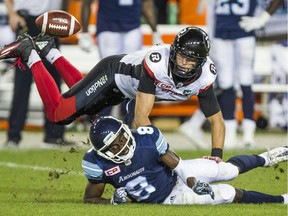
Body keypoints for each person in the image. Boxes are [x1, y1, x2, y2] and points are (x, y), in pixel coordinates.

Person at [0, 26, 225, 159]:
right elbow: (141, 117)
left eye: (191, 59)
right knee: (60, 114)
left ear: (201, 62)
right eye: (181, 56)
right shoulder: (157, 63)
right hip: (112, 76)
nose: (184, 63)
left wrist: (216, 157)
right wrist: (164, 152)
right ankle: (29, 52)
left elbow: (217, 121)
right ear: (173, 51)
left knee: (93, 113)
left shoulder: (205, 77)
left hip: (124, 92)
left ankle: (48, 49)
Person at [81, 115, 288, 205]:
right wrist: (113, 202)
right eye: (114, 146)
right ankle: (282, 200)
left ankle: (267, 157)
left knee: (226, 170)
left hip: (177, 174)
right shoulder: (96, 163)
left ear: (126, 130)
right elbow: (90, 199)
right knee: (227, 193)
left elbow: (177, 164)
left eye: (122, 137)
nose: (123, 145)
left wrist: (193, 182)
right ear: (103, 152)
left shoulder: (146, 137)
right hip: (166, 199)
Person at [206, 0, 284, 149]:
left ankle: (248, 134)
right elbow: (210, 10)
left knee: (245, 81)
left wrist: (263, 18)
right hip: (221, 32)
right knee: (226, 83)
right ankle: (230, 133)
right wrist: (210, 36)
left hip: (244, 30)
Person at [79, 0, 162, 124]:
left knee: (133, 76)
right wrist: (84, 32)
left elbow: (147, 3)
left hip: (133, 26)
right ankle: (102, 122)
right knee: (108, 76)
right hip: (108, 27)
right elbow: (86, 2)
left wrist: (155, 30)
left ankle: (129, 122)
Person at [2, 0, 72, 148]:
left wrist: (63, 16)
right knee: (23, 81)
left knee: (53, 78)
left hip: (50, 21)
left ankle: (54, 135)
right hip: (27, 20)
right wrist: (12, 13)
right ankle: (13, 136)